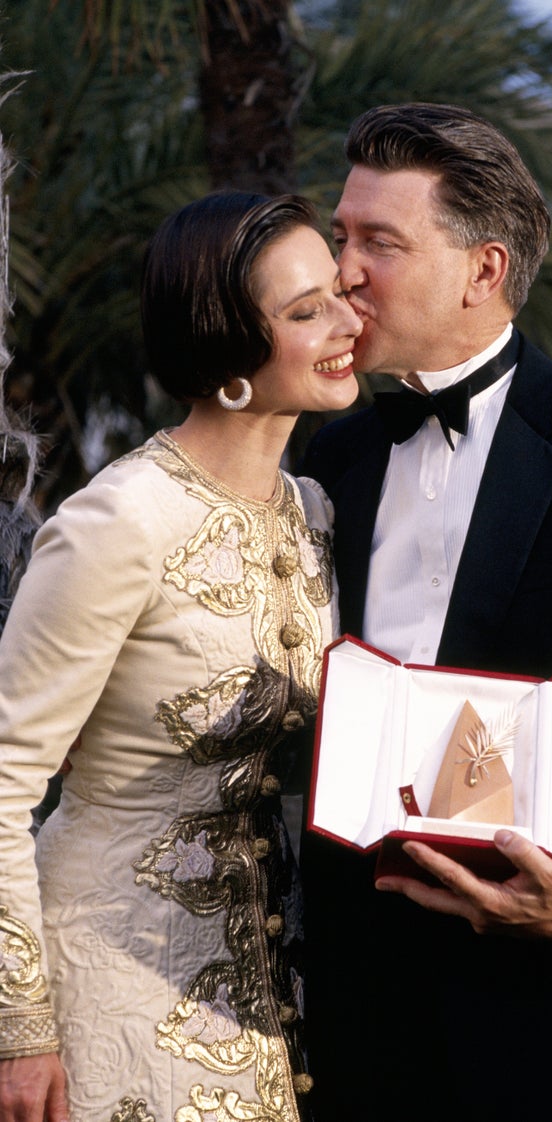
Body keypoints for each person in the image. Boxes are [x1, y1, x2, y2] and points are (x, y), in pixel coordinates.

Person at [298, 103, 552, 1122]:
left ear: (482, 270)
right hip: (362, 1032)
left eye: (379, 242)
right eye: (341, 237)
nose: (342, 272)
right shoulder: (330, 451)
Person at [0, 189, 361, 1122]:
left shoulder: (312, 514)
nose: (348, 323)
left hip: (271, 989)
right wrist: (20, 1027)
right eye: (306, 311)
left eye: (339, 293)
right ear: (225, 344)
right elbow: (3, 777)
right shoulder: (120, 521)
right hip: (109, 980)